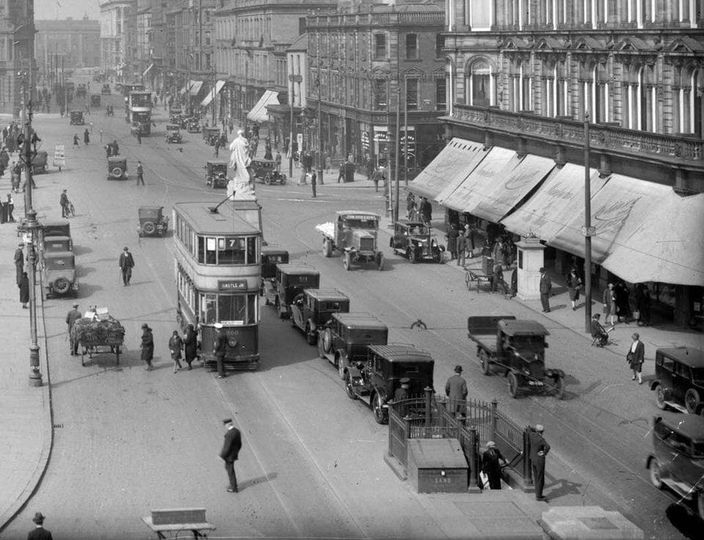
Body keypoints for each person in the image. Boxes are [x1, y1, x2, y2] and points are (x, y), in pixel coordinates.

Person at [528, 424, 550, 501]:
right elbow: (548, 447)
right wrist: (543, 452)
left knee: (536, 477)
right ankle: (539, 496)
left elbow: (529, 429)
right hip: (539, 460)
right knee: (540, 478)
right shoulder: (541, 439)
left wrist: (534, 428)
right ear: (542, 431)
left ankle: (537, 493)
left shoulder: (532, 435)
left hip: (533, 458)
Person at [220, 418, 242, 493]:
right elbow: (239, 444)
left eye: (225, 425)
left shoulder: (229, 434)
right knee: (229, 469)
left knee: (230, 471)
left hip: (229, 456)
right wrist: (236, 452)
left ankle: (234, 488)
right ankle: (233, 485)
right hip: (233, 454)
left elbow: (226, 447)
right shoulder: (237, 431)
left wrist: (222, 456)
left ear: (228, 424)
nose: (225, 426)